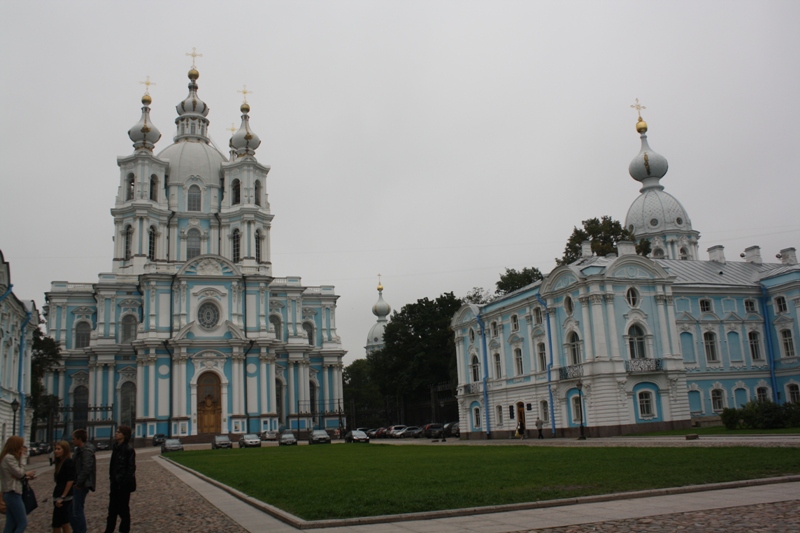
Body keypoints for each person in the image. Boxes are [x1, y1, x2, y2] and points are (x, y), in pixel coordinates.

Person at [0, 436, 36, 533]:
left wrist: (26, 476)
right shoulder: (9, 458)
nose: (22, 448)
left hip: (11, 492)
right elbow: (20, 473)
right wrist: (23, 458)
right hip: (13, 493)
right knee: (22, 523)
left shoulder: (8, 457)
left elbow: (18, 476)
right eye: (20, 445)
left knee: (10, 524)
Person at [104, 426, 136, 533]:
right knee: (112, 511)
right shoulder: (116, 448)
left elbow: (131, 469)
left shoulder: (128, 450)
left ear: (124, 435)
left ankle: (124, 530)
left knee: (123, 511)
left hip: (123, 486)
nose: (116, 433)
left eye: (118, 432)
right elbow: (113, 466)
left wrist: (123, 482)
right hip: (114, 485)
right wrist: (112, 479)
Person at [69, 429, 95, 533]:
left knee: (77, 511)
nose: (72, 441)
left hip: (81, 485)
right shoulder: (79, 450)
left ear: (80, 439)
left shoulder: (86, 451)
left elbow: (86, 468)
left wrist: (78, 483)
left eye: (74, 439)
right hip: (77, 483)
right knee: (71, 511)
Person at [52, 440, 76, 533]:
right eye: (55, 449)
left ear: (64, 450)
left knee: (59, 523)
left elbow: (70, 480)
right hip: (58, 494)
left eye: (58, 449)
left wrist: (63, 496)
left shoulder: (68, 462)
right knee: (61, 522)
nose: (56, 451)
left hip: (63, 497)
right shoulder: (60, 462)